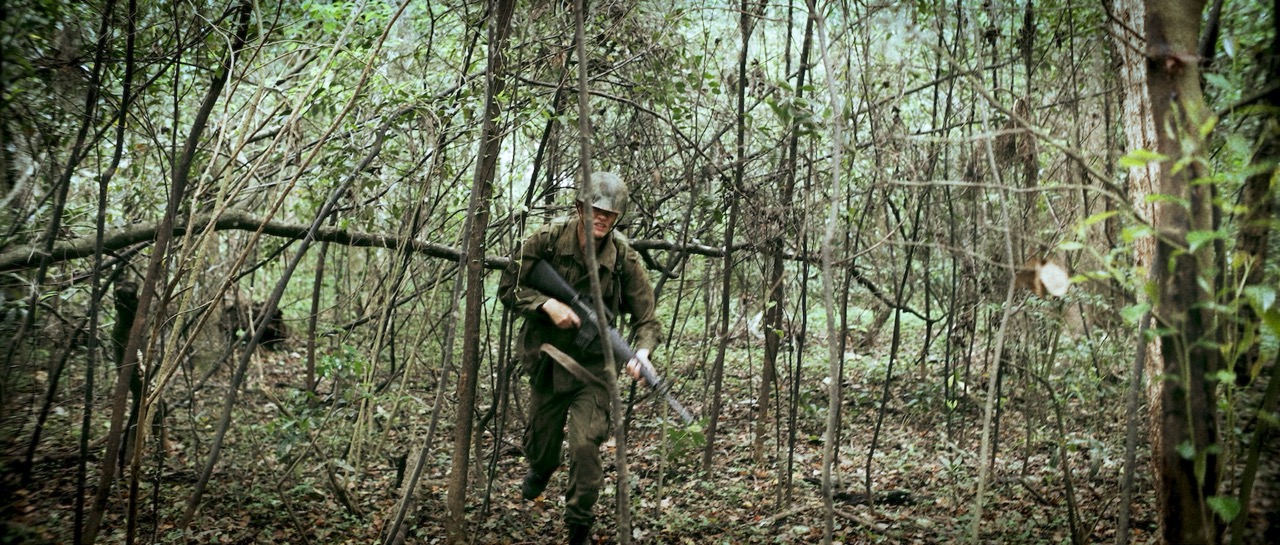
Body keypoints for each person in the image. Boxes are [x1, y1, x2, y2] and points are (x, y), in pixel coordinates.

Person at [497, 171, 662, 545]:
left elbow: (647, 318)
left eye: (610, 214)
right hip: (547, 359)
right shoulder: (548, 240)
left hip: (594, 369)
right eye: (595, 210)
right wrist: (546, 303)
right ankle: (541, 469)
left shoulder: (623, 257)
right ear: (579, 207)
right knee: (542, 447)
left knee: (586, 444)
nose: (602, 219)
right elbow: (509, 286)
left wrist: (641, 353)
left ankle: (578, 525)